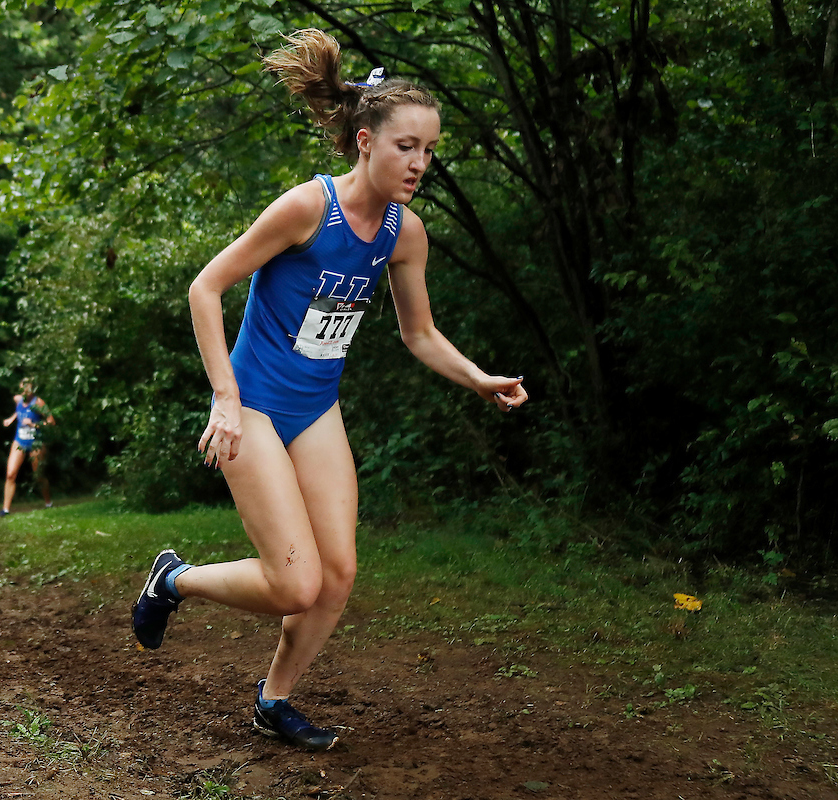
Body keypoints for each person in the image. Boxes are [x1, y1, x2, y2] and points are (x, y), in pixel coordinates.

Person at [132, 29, 529, 750]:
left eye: (429, 150)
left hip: (315, 410)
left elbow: (419, 333)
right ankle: (174, 580)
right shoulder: (306, 209)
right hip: (252, 407)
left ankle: (274, 701)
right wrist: (224, 398)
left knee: (337, 576)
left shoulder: (405, 234)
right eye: (406, 146)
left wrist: (477, 378)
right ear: (365, 142)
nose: (420, 163)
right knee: (295, 585)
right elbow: (205, 287)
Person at [0, 378, 56, 517]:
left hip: (36, 442)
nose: (25, 391)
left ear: (32, 389)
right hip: (19, 441)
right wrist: (12, 418)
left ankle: (48, 503)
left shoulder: (39, 403)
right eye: (23, 388)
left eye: (28, 388)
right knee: (10, 474)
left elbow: (51, 422)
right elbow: (19, 411)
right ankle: (5, 510)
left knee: (38, 476)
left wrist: (34, 424)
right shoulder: (17, 399)